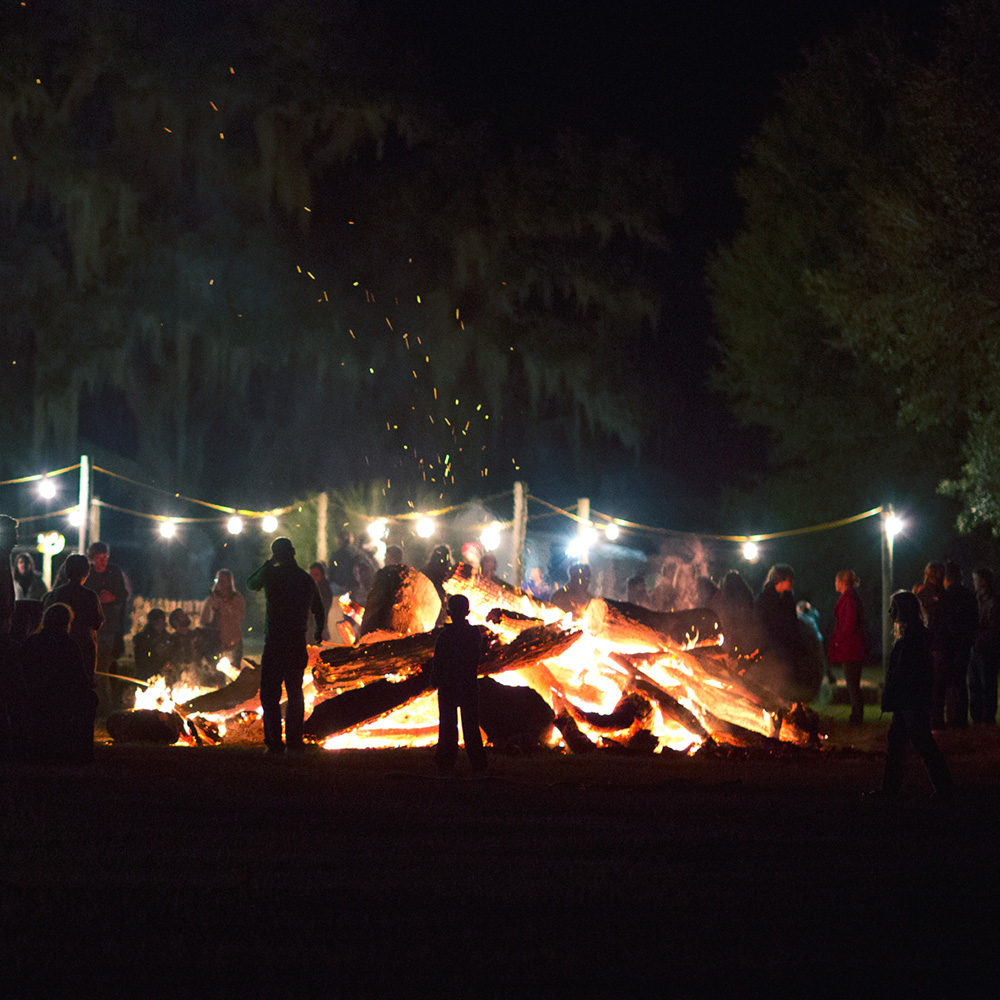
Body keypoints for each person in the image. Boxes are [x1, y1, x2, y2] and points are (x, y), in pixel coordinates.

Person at [871, 590, 952, 800]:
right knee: (899, 744)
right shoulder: (913, 636)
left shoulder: (912, 639)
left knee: (922, 743)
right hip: (907, 701)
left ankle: (943, 789)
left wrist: (897, 694)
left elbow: (910, 673)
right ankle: (890, 790)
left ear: (903, 610)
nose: (889, 612)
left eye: (893, 608)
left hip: (910, 701)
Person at [247, 537, 325, 754]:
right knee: (295, 692)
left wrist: (267, 565)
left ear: (276, 555)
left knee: (270, 694)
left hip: (275, 643)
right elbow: (318, 608)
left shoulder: (272, 575)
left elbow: (250, 584)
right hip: (296, 643)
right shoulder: (305, 579)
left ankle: (274, 742)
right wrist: (318, 630)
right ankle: (294, 741)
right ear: (293, 552)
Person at [20, 602, 97, 762]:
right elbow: (80, 678)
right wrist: (90, 683)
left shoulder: (33, 642)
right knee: (91, 699)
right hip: (60, 699)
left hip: (34, 696)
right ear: (66, 623)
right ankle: (83, 751)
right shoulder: (69, 645)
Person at [432, 593, 487, 774]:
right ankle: (478, 764)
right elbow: (476, 659)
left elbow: (438, 661)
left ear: (448, 612)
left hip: (448, 686)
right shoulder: (473, 634)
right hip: (468, 685)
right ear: (468, 612)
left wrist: (436, 679)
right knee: (471, 726)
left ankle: (445, 763)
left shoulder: (444, 636)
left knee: (447, 725)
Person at [43, 553, 103, 688]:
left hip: (57, 650)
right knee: (82, 690)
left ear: (66, 571)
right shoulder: (90, 596)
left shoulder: (55, 594)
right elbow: (96, 623)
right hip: (84, 650)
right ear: (86, 572)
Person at [84, 541, 129, 716]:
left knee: (104, 668)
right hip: (90, 629)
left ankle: (105, 707)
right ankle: (94, 705)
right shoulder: (87, 575)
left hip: (109, 628)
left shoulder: (114, 571)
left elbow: (123, 595)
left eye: (104, 558)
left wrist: (113, 597)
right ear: (92, 559)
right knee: (91, 668)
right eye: (98, 559)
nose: (102, 562)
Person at [939, 561, 978, 728]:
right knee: (961, 681)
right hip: (964, 643)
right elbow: (974, 619)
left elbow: (944, 621)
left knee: (949, 682)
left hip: (950, 644)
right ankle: (961, 718)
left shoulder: (946, 596)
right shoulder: (969, 595)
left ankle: (952, 716)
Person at [828, 570, 867, 725]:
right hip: (852, 647)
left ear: (841, 582)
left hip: (851, 648)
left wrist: (838, 639)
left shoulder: (849, 599)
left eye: (836, 581)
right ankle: (856, 714)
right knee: (853, 683)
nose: (835, 584)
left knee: (852, 683)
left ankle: (857, 716)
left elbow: (849, 624)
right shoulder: (851, 598)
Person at [913, 561, 947, 728]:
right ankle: (937, 718)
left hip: (929, 645)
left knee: (929, 684)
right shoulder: (945, 595)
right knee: (938, 685)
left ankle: (929, 719)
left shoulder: (924, 595)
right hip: (940, 645)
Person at [970, 567, 1000, 724]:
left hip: (987, 649)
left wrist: (979, 636)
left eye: (976, 580)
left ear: (983, 582)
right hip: (976, 647)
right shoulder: (975, 600)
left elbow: (993, 628)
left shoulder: (992, 602)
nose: (974, 583)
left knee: (987, 684)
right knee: (975, 683)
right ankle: (977, 716)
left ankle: (988, 717)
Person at [200, 568, 246, 670]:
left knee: (234, 673)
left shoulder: (237, 598)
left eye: (224, 581)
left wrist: (225, 604)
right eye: (219, 581)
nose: (222, 584)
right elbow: (203, 621)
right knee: (217, 674)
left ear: (230, 582)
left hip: (234, 642)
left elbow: (240, 616)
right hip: (217, 643)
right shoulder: (211, 600)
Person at [132, 607, 171, 680]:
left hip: (164, 674)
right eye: (157, 624)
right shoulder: (142, 639)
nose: (159, 627)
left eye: (161, 624)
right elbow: (141, 660)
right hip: (147, 674)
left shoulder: (167, 637)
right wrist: (154, 650)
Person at [308, 562, 333, 641]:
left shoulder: (324, 589)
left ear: (322, 575)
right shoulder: (311, 587)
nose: (313, 577)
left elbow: (324, 607)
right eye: (312, 574)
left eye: (316, 575)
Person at [328, 530, 359, 594]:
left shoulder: (335, 555)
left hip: (339, 586)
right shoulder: (355, 554)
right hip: (352, 587)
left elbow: (331, 571)